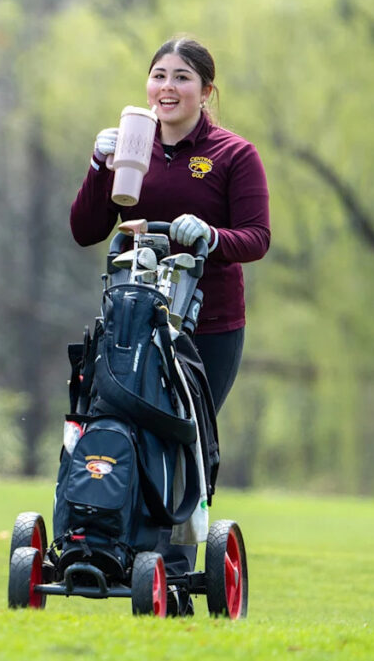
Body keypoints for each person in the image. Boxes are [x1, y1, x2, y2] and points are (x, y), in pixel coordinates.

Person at [69, 36, 269, 614]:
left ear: (207, 91)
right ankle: (111, 542)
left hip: (207, 326)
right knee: (122, 429)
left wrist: (210, 236)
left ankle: (175, 568)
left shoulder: (233, 155)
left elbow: (256, 237)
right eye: (158, 76)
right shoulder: (133, 145)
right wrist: (96, 166)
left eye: (182, 78)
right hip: (132, 318)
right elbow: (86, 229)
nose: (167, 88)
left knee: (183, 436)